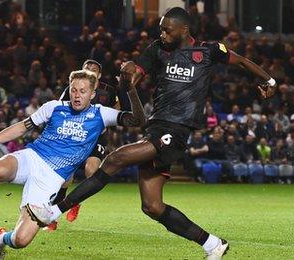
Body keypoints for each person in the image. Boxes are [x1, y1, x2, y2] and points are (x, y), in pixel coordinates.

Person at [27, 7, 276, 260]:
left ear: (184, 29)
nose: (163, 33)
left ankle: (53, 211)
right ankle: (212, 244)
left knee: (115, 158)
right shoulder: (157, 50)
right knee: (152, 206)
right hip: (156, 128)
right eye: (161, 29)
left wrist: (269, 82)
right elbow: (136, 73)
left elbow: (242, 61)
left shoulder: (208, 51)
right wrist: (129, 75)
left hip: (176, 131)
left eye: (168, 29)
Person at [0, 69, 145, 260]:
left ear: (92, 94)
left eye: (83, 91)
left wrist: (131, 90)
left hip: (51, 178)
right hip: (33, 157)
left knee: (21, 240)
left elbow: (137, 119)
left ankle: (1, 239)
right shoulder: (54, 107)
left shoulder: (101, 114)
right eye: (73, 90)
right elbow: (22, 127)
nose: (77, 95)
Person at [45, 59, 119, 230]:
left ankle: (75, 200)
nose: (90, 71)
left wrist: (106, 121)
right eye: (87, 68)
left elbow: (117, 110)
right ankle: (53, 218)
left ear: (99, 75)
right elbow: (60, 107)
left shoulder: (108, 91)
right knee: (65, 178)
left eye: (94, 69)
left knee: (91, 171)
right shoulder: (72, 89)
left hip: (96, 137)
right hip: (75, 134)